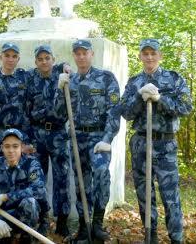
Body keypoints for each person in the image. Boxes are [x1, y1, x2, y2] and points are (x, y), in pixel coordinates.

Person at [120, 39, 193, 244]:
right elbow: (125, 112)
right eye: (145, 53)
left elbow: (186, 107)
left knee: (170, 194)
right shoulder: (134, 82)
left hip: (165, 144)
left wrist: (160, 99)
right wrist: (139, 98)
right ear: (140, 56)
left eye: (153, 53)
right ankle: (150, 236)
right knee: (144, 193)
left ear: (160, 56)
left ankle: (176, 238)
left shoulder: (173, 79)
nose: (149, 57)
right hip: (141, 143)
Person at [57, 39, 121, 242]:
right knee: (80, 183)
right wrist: (61, 89)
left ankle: (98, 224)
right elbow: (60, 113)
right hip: (77, 138)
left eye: (85, 53)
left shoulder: (106, 78)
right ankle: (85, 226)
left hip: (99, 139)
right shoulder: (71, 81)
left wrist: (108, 138)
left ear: (91, 54)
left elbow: (114, 111)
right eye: (77, 53)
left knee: (101, 175)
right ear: (74, 56)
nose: (81, 56)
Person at [25, 44, 72, 237]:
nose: (44, 62)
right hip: (37, 135)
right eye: (40, 59)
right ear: (36, 62)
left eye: (47, 58)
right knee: (38, 179)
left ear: (53, 59)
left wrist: (67, 66)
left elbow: (67, 67)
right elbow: (26, 112)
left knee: (62, 178)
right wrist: (27, 140)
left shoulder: (61, 73)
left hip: (59, 134)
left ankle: (62, 221)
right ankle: (42, 219)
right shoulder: (30, 78)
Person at [0, 128, 47, 244]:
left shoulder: (31, 164)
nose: (11, 150)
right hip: (1, 214)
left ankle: (26, 238)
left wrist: (5, 196)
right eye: (7, 146)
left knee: (30, 203)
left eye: (15, 146)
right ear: (2, 148)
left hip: (22, 215)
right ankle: (6, 236)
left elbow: (39, 190)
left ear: (22, 148)